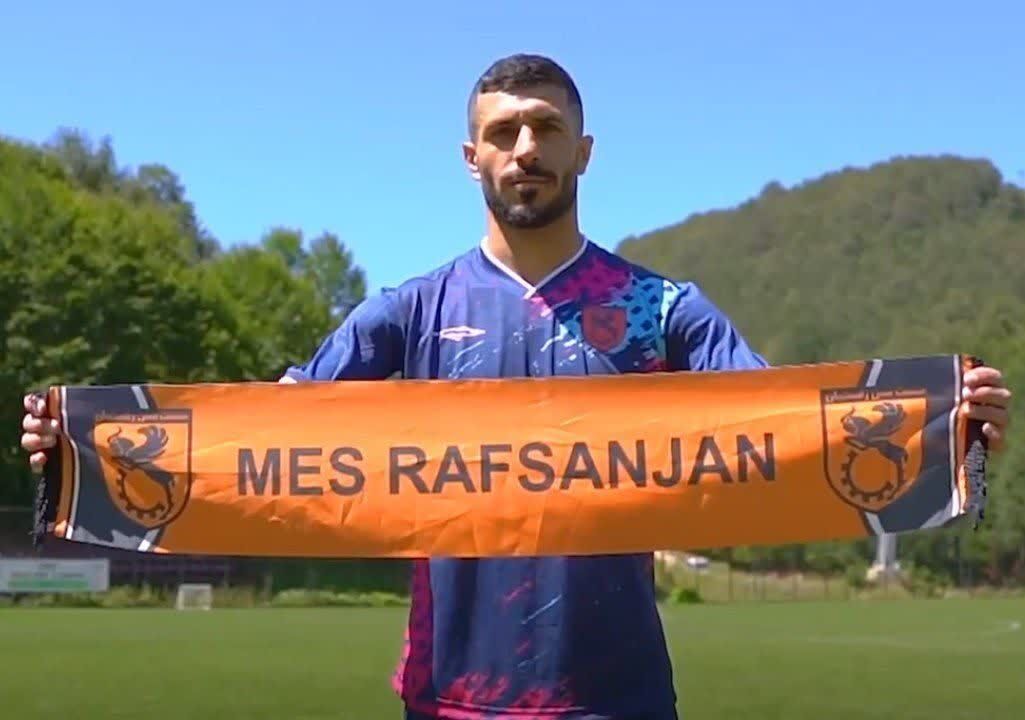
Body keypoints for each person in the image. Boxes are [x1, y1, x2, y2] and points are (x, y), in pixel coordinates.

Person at [20, 54, 1013, 720]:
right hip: (447, 692)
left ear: (584, 150)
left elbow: (794, 431)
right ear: (472, 158)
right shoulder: (406, 313)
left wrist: (942, 425)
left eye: (545, 127)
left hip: (617, 694)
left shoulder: (665, 309)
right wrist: (85, 451)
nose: (524, 149)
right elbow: (259, 440)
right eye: (502, 132)